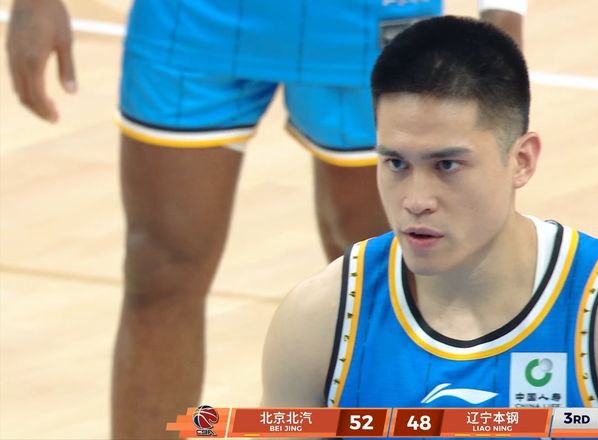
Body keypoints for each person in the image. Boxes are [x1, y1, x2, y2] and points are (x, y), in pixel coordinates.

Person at [6, 0, 526, 438]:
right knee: (159, 270)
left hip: (364, 19)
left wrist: (504, 9)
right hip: (192, 17)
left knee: (393, 287)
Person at [261, 15, 598, 439]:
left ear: (521, 161)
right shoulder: (321, 317)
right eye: (396, 163)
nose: (416, 200)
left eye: (447, 165)